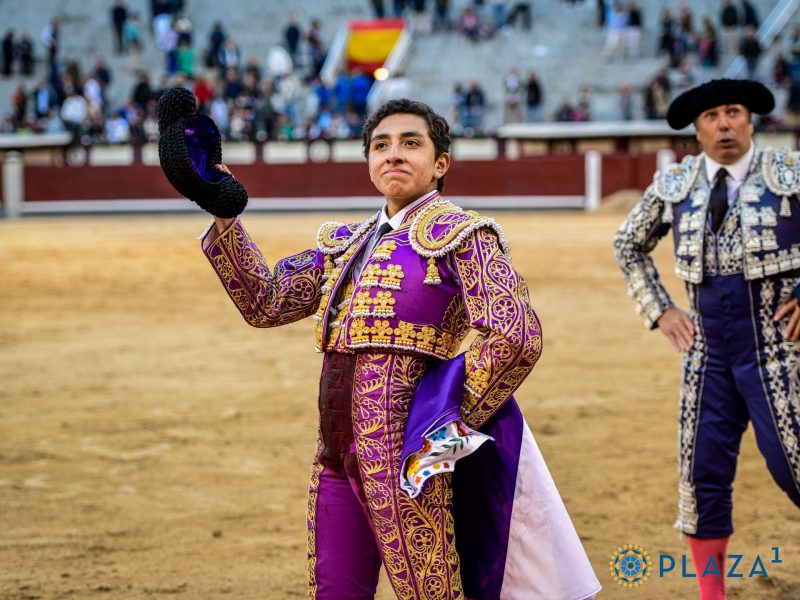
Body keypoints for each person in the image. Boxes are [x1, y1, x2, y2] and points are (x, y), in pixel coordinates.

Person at [197, 98, 600, 599]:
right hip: (334, 452)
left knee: (427, 591)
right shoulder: (347, 243)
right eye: (381, 145)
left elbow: (515, 336)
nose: (393, 154)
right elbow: (267, 301)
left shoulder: (463, 236)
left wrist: (443, 424)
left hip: (407, 458)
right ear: (369, 161)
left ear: (440, 163)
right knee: (336, 592)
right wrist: (223, 216)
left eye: (411, 143)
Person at [614, 79, 800, 600]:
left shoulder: (789, 173)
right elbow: (627, 245)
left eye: (733, 112)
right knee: (701, 477)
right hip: (707, 354)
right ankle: (712, 594)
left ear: (751, 120)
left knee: (794, 466)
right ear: (697, 130)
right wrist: (661, 308)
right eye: (712, 116)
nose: (724, 124)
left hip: (779, 350)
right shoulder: (676, 184)